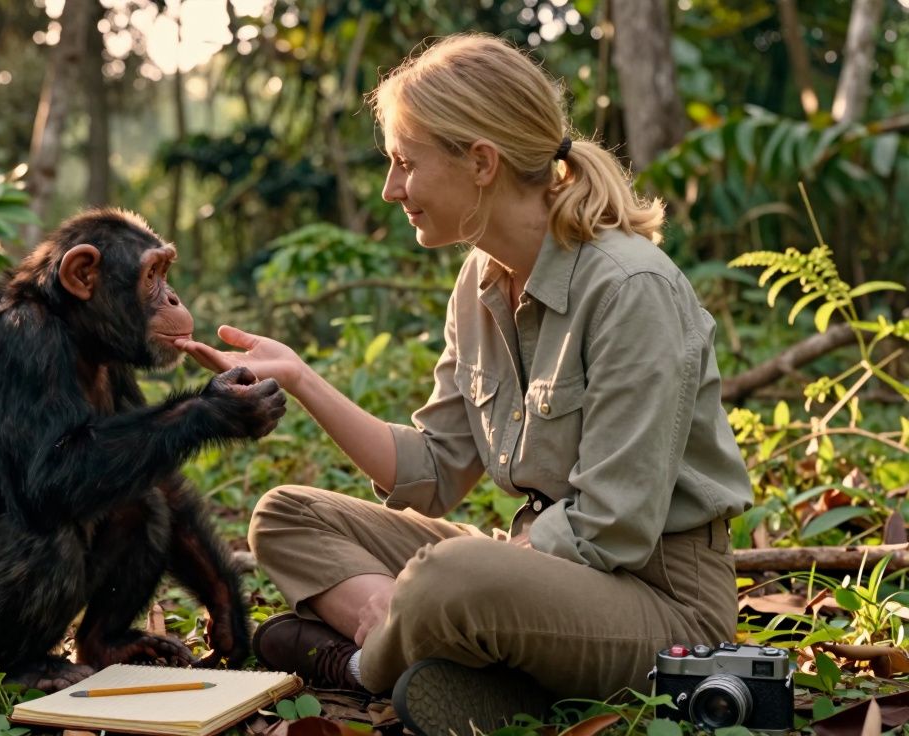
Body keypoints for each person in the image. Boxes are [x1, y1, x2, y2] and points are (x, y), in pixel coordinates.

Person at [176, 32, 752, 735]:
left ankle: (361, 667)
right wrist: (300, 378)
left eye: (404, 164)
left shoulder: (631, 288)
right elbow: (432, 469)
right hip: (536, 569)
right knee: (286, 517)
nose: (392, 190)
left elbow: (611, 528)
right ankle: (448, 655)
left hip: (659, 605)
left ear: (481, 161)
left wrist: (457, 577)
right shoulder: (480, 280)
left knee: (451, 578)